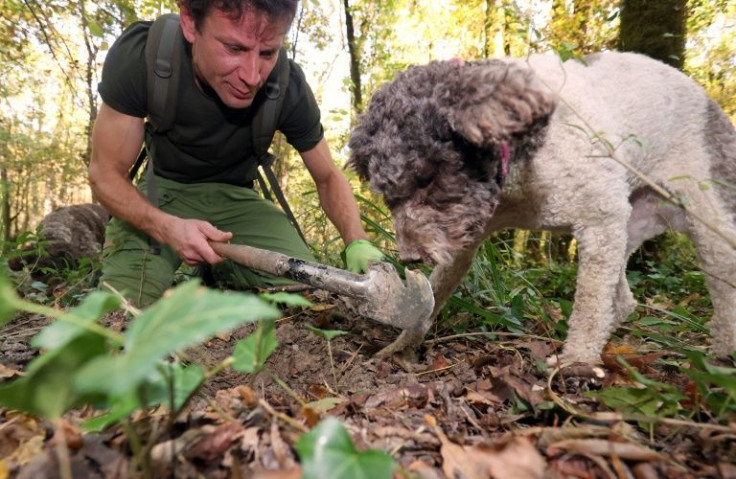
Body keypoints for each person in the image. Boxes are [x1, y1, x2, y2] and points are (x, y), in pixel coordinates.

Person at [89, 0, 383, 306]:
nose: (253, 76)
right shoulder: (144, 56)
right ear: (190, 22)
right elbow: (105, 173)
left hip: (239, 203)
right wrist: (166, 227)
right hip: (163, 197)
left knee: (306, 297)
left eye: (268, 52)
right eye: (234, 49)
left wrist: (357, 240)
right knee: (121, 308)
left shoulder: (286, 85)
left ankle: (217, 272)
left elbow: (328, 176)